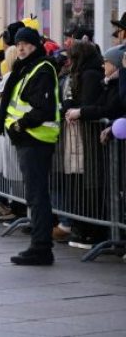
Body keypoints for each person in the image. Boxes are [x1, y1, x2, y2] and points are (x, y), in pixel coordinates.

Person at [0, 24, 62, 266]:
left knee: (37, 196)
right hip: (29, 139)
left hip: (36, 139)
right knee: (35, 194)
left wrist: (18, 125)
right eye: (18, 44)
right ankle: (40, 245)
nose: (21, 47)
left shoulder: (41, 69)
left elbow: (42, 108)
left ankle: (41, 247)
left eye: (26, 43)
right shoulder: (27, 68)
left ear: (35, 45)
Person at [61, 41, 108, 249]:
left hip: (89, 137)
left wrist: (75, 109)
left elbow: (88, 103)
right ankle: (85, 228)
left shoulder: (89, 75)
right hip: (83, 136)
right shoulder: (88, 73)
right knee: (82, 183)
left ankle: (91, 231)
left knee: (89, 184)